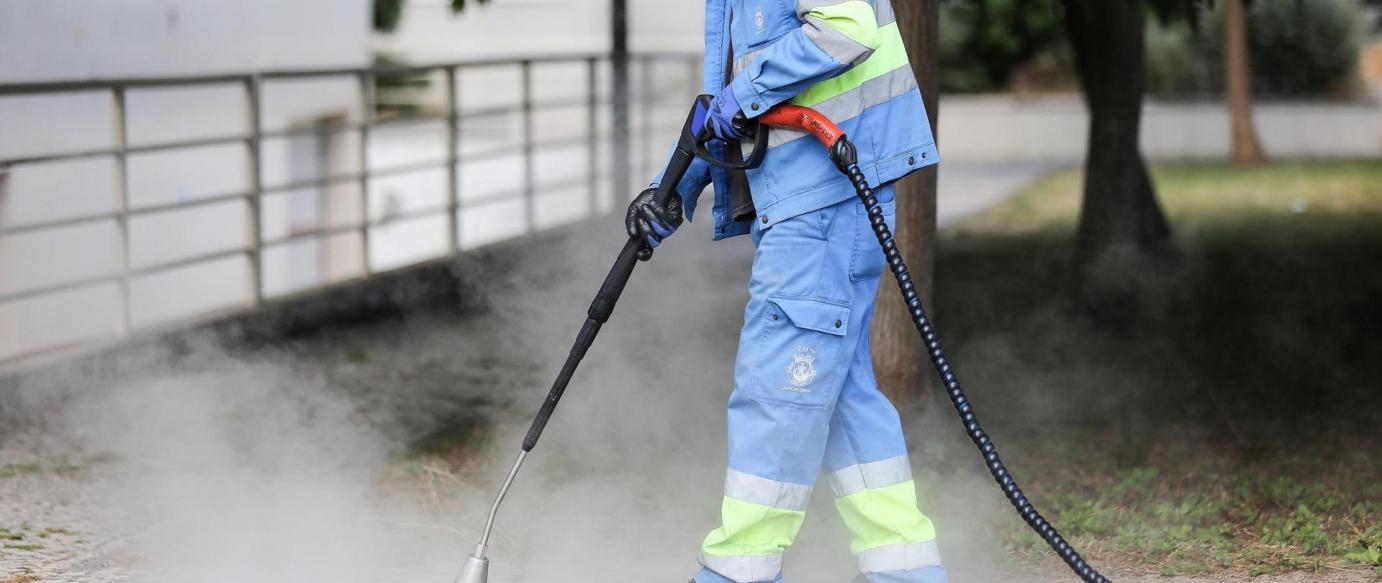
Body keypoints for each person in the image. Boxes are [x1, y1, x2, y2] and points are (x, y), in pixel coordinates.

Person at [625, 1, 946, 582]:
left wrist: (742, 94)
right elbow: (738, 108)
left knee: (776, 388)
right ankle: (906, 569)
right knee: (845, 399)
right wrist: (674, 186)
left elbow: (845, 31)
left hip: (823, 203)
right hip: (823, 200)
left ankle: (735, 572)